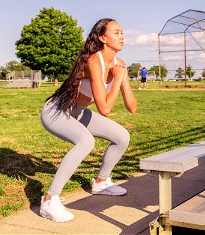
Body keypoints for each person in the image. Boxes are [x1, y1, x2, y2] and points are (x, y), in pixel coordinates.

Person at [39, 18, 137, 222]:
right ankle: (49, 201)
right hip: (57, 110)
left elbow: (132, 107)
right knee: (86, 141)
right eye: (116, 32)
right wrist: (118, 79)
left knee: (122, 136)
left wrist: (123, 79)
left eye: (122, 32)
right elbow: (105, 109)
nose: (122, 36)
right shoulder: (94, 61)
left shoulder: (120, 64)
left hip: (78, 111)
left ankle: (101, 182)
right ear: (102, 38)